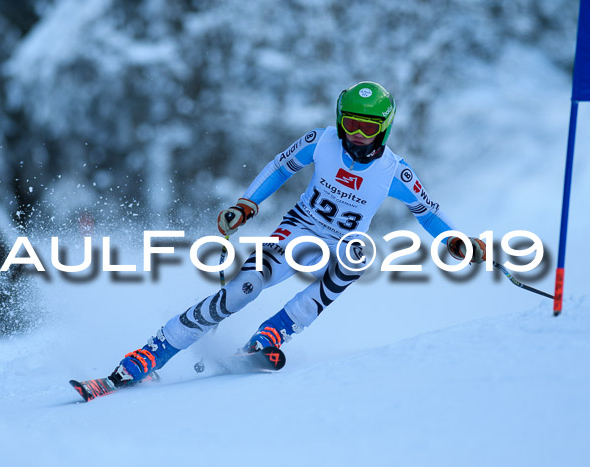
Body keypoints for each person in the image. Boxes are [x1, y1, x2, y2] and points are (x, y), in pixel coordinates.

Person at [109, 81, 486, 386]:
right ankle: (152, 353)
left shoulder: (394, 172)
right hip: (299, 232)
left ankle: (271, 335)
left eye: (368, 127)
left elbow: (428, 212)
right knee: (242, 290)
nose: (356, 134)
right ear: (339, 120)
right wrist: (246, 204)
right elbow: (278, 168)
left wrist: (455, 241)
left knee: (360, 253)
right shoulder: (320, 142)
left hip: (341, 244)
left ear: (384, 128)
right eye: (350, 123)